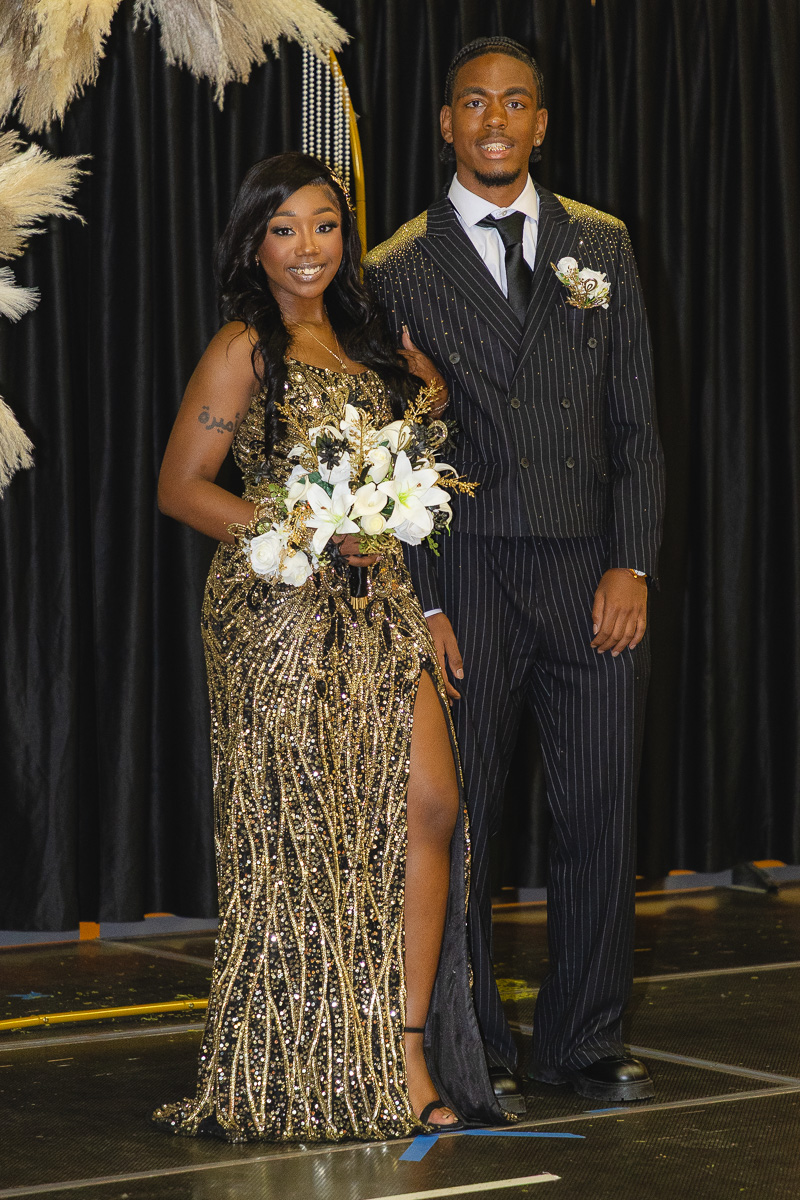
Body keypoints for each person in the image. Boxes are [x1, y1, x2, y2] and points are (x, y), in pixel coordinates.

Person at [152, 151, 509, 1141]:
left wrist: (420, 405)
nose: (305, 248)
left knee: (428, 807)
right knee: (305, 840)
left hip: (379, 603)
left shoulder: (366, 341)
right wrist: (295, 532)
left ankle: (399, 1048)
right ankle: (299, 1060)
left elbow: (405, 443)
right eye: (282, 229)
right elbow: (183, 485)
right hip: (278, 612)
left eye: (321, 225)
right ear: (253, 245)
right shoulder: (244, 349)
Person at [364, 37, 665, 1106]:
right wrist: (425, 599)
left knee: (596, 812)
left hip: (590, 570)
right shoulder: (393, 266)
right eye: (473, 104)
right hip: (471, 574)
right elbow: (388, 454)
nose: (494, 120)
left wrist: (630, 560)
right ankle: (470, 1040)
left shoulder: (602, 246)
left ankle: (580, 1040)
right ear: (445, 123)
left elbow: (634, 423)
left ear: (541, 121)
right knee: (471, 819)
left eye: (516, 102)